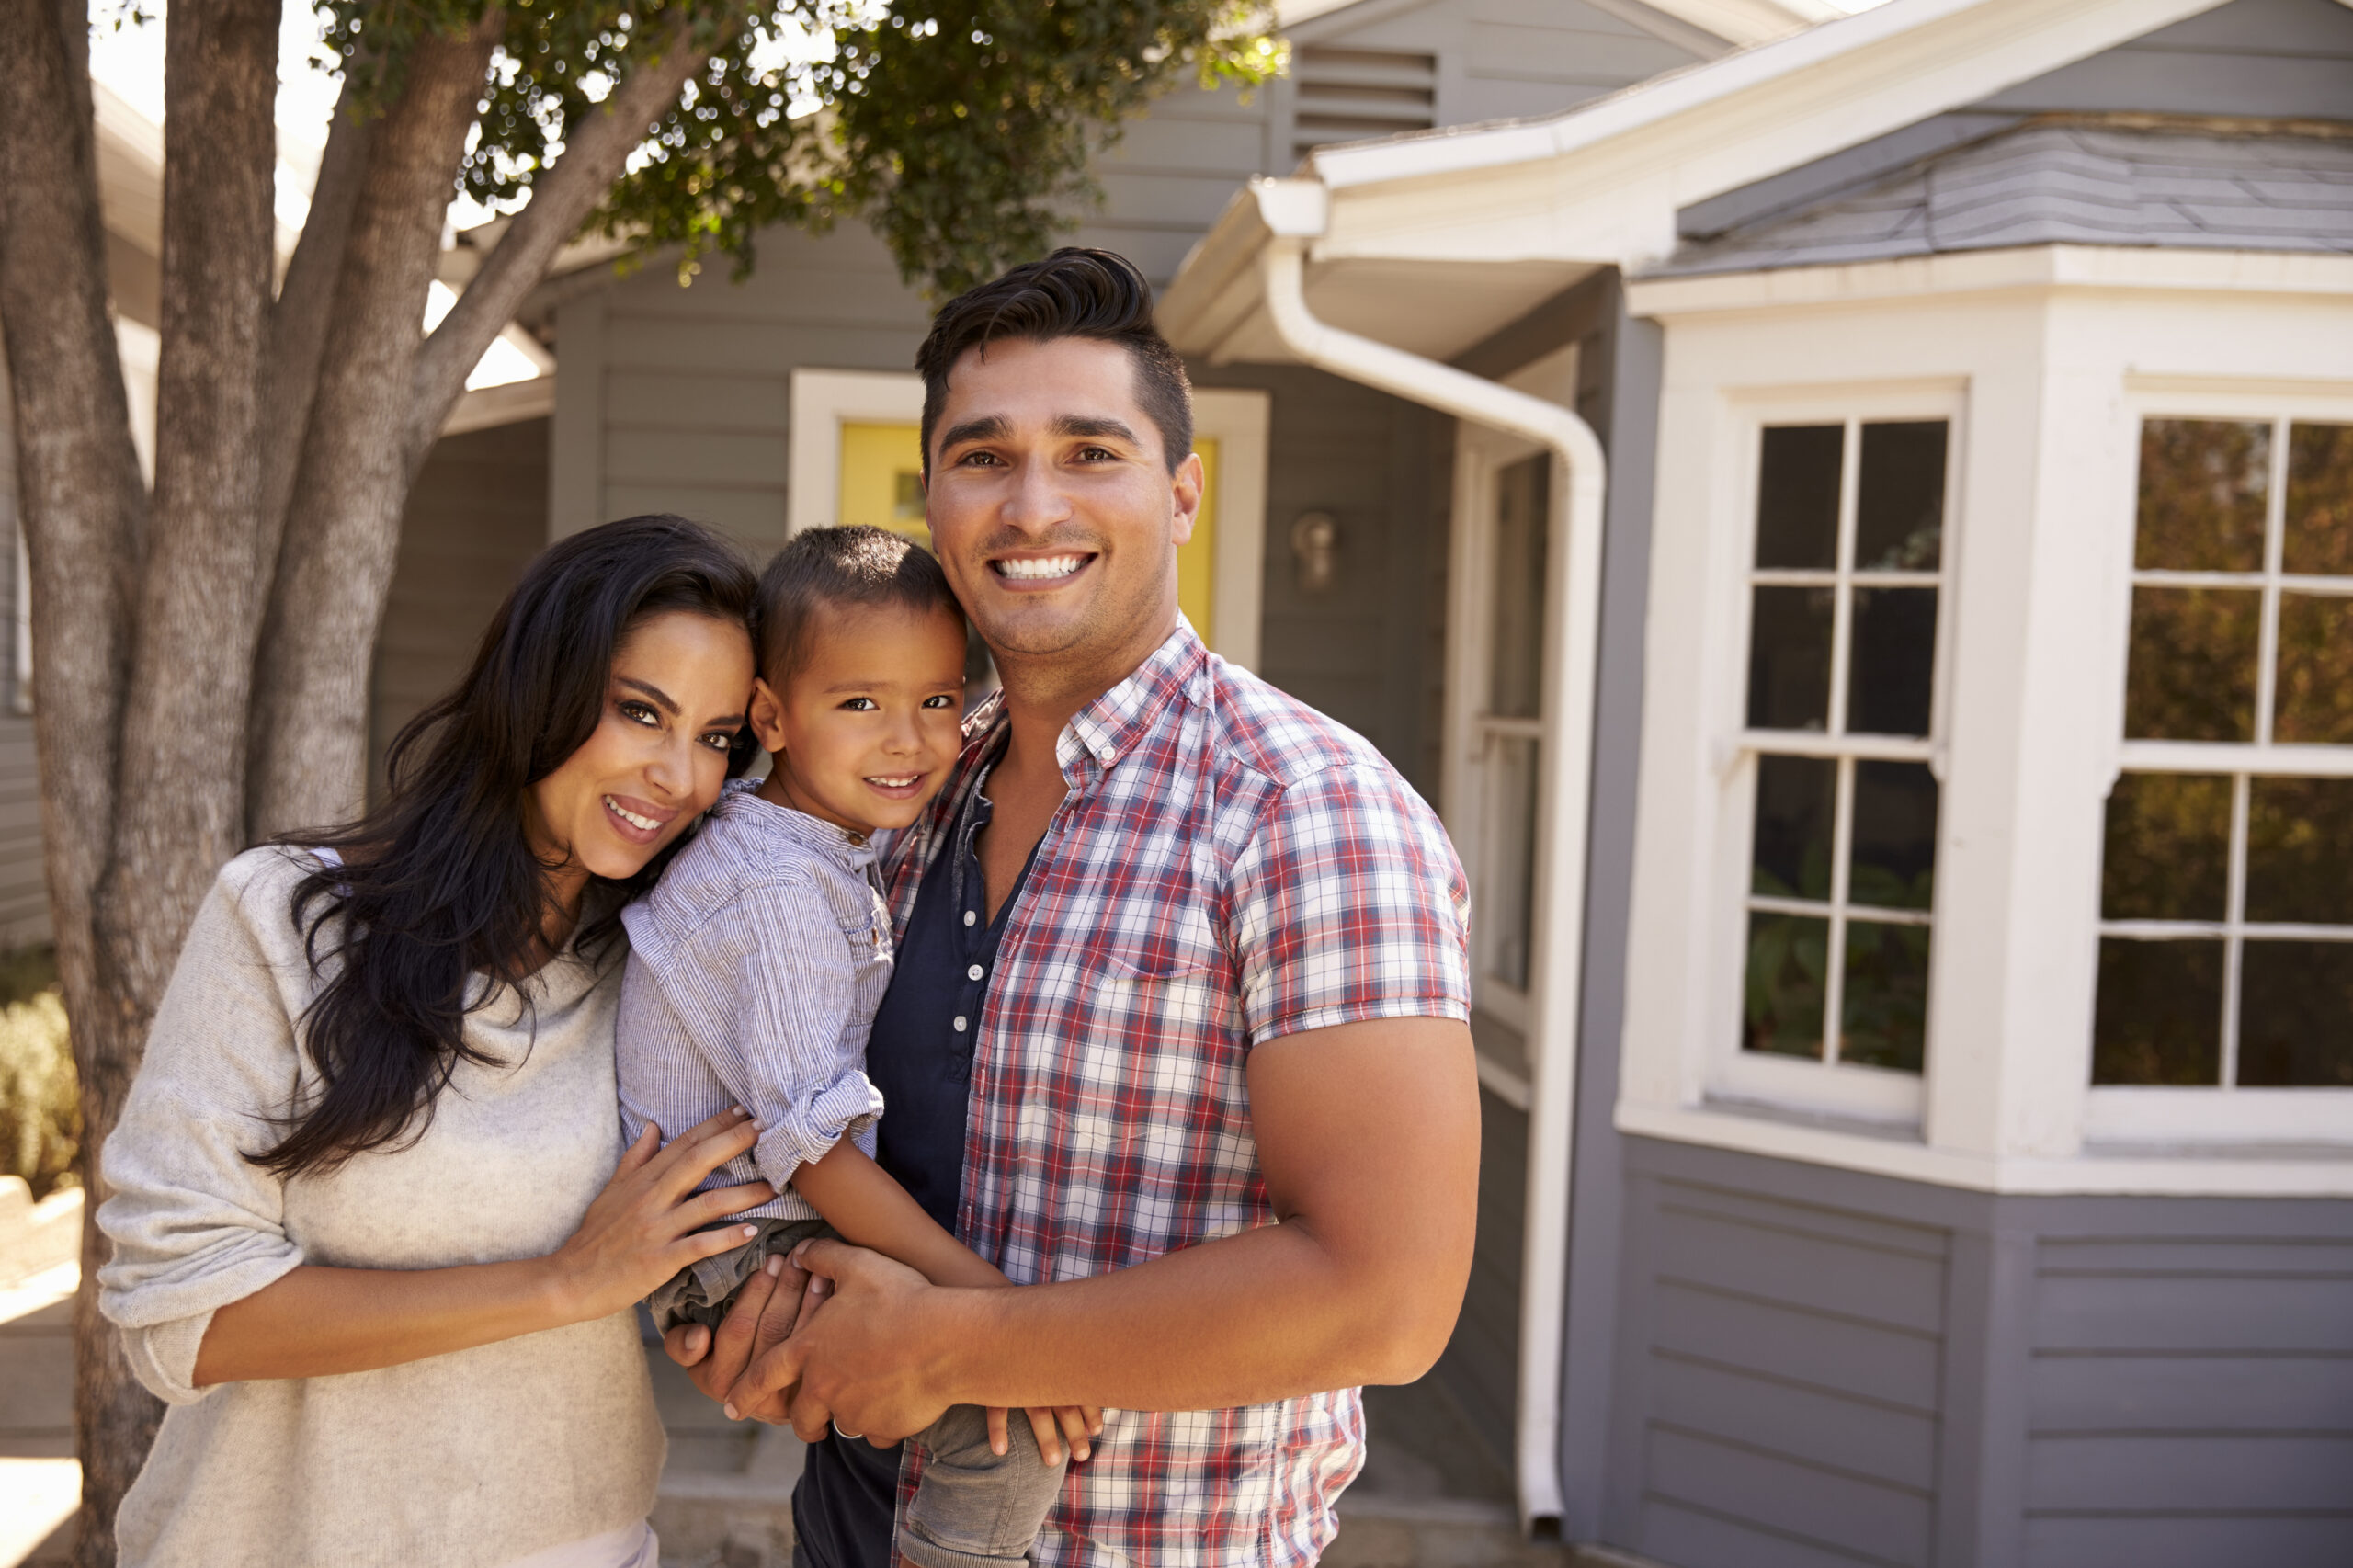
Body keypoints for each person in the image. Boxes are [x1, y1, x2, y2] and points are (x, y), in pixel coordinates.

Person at [669, 248, 1482, 1568]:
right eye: (983, 458)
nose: (1030, 502)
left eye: (1089, 451)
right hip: (845, 1527)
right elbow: (759, 1071)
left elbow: (1386, 1297)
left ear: (1182, 494)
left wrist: (955, 1345)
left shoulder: (1304, 810)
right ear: (934, 499)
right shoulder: (907, 786)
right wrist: (758, 1325)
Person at [97, 516, 778, 1568]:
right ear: (539, 687)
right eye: (641, 711)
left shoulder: (665, 972)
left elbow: (703, 1234)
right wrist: (562, 1282)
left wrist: (725, 1315)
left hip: (582, 1540)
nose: (679, 776)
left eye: (717, 736)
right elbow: (178, 1314)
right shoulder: (283, 922)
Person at [615, 526, 1084, 1568]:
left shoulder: (823, 842)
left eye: (936, 699)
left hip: (761, 1219)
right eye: (860, 703)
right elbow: (815, 1147)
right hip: (740, 1243)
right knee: (998, 1416)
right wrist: (989, 1311)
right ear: (774, 717)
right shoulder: (776, 890)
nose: (911, 739)